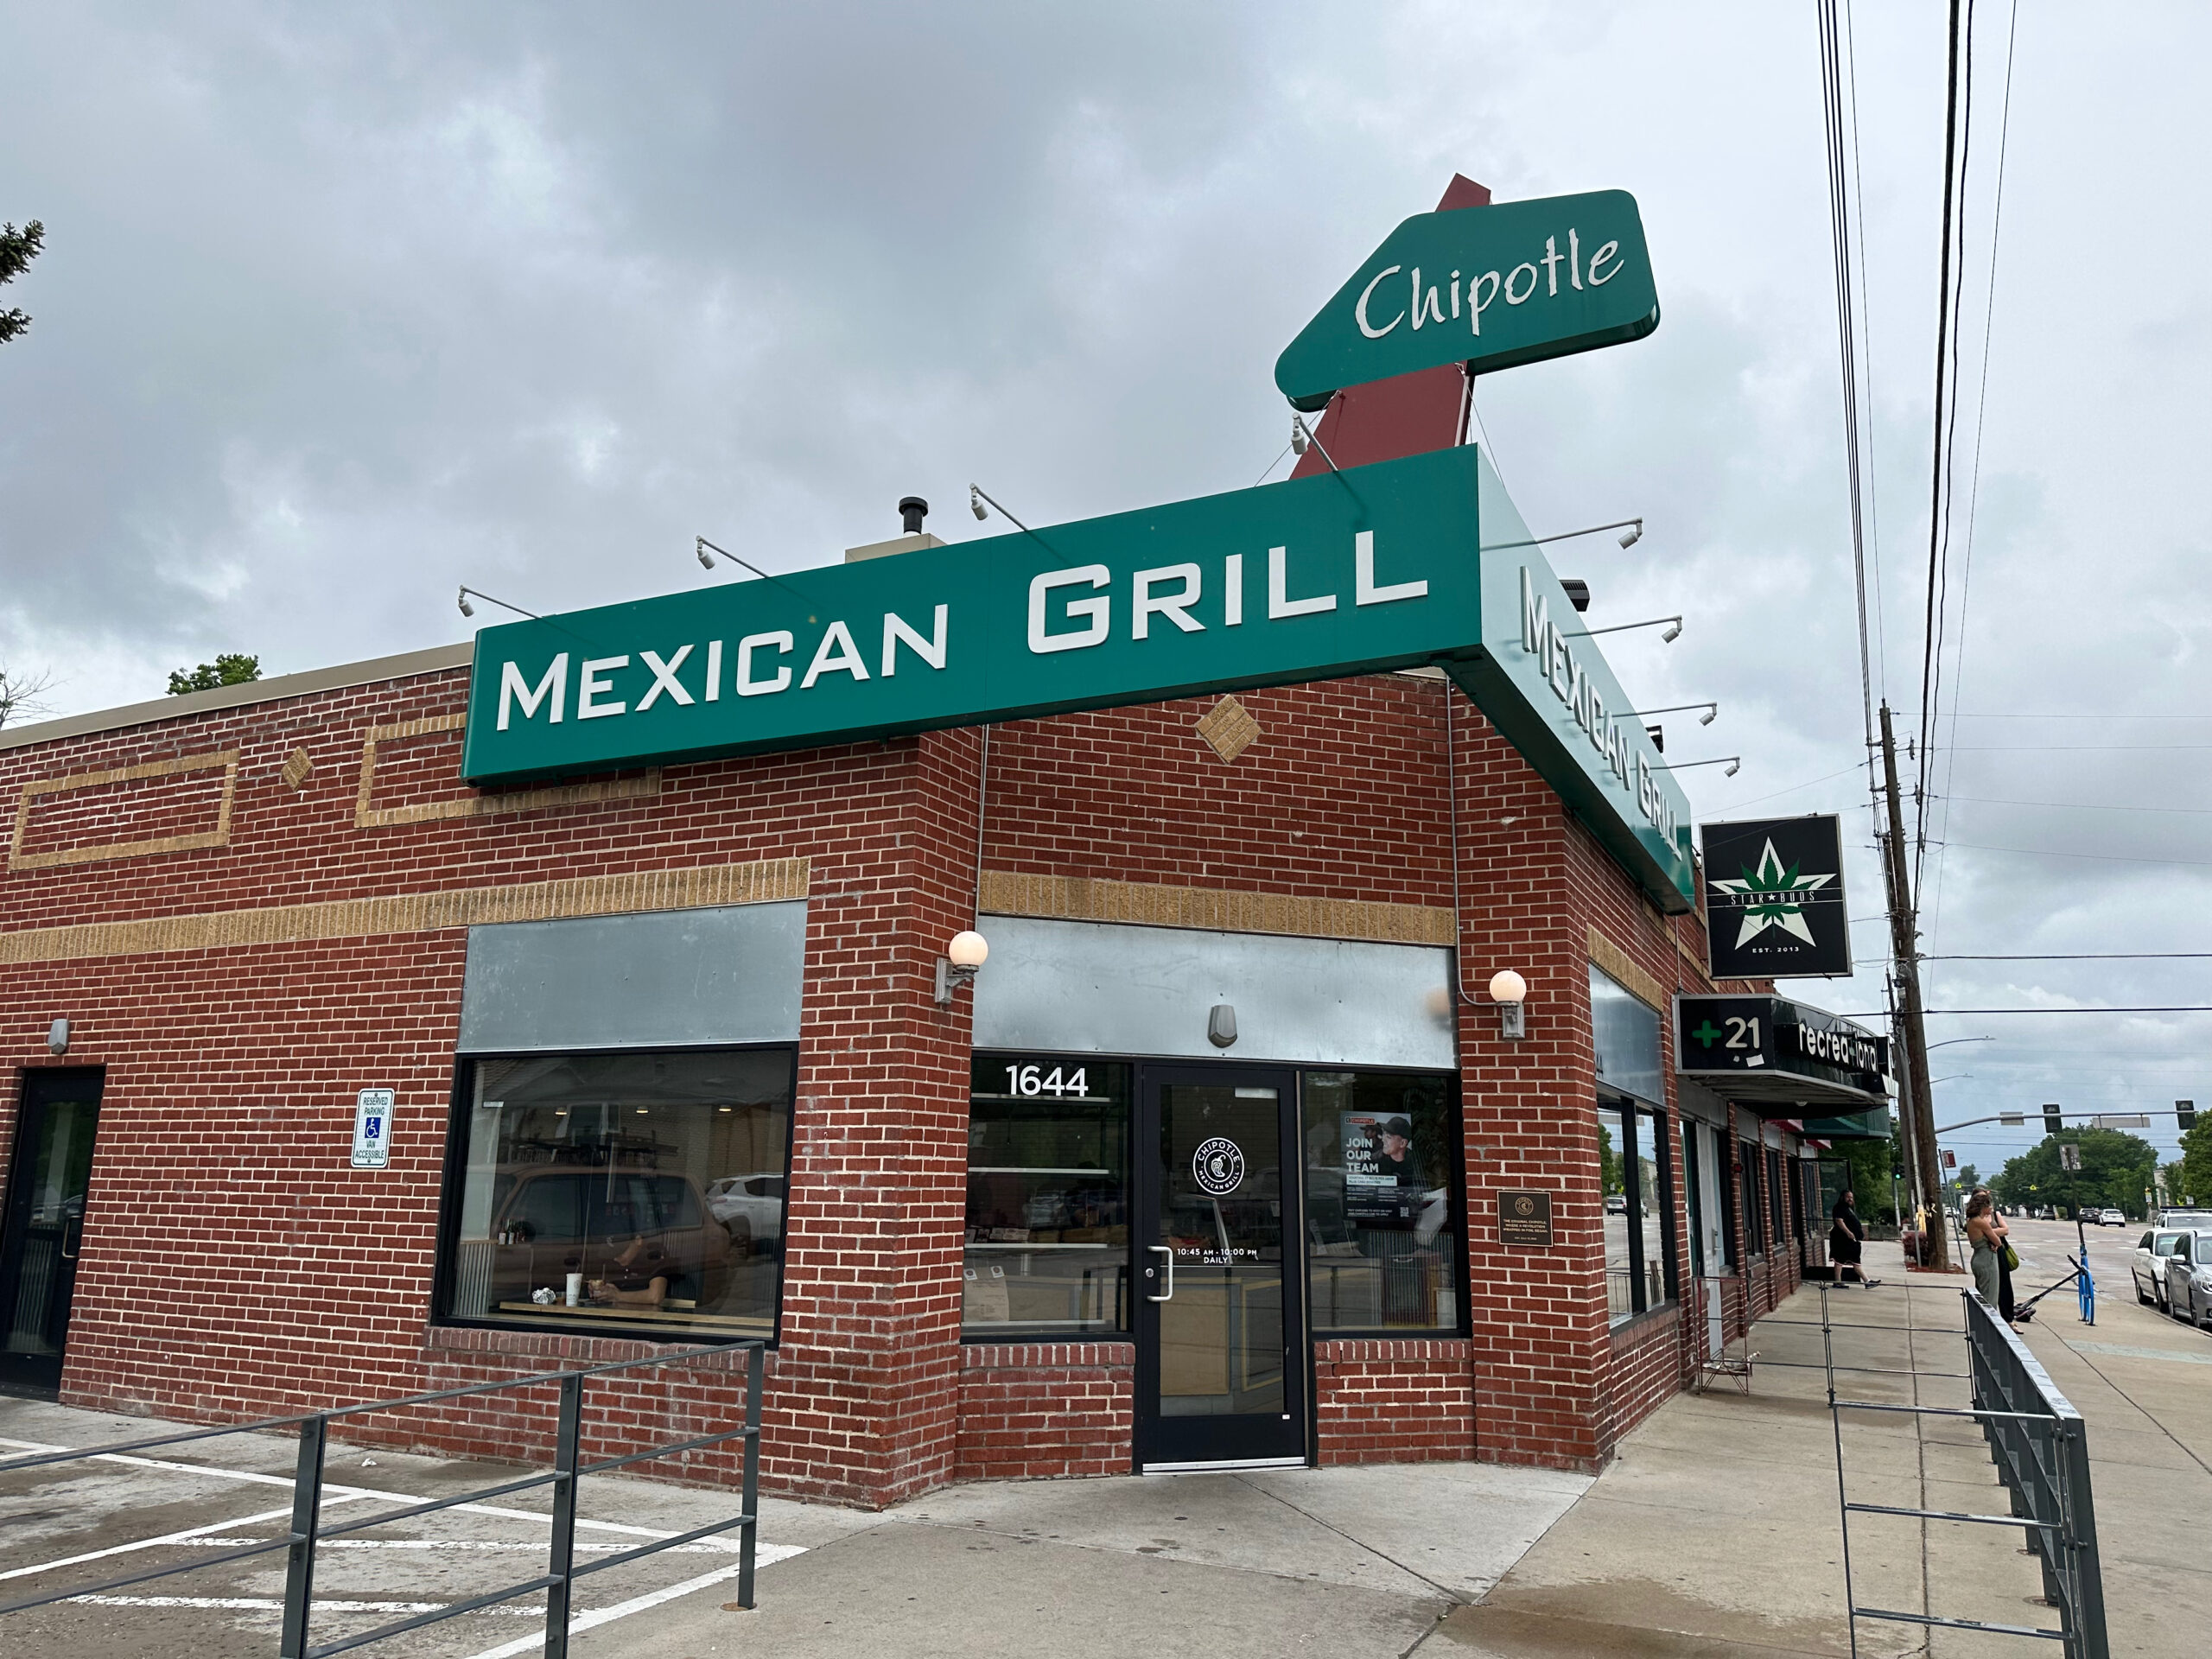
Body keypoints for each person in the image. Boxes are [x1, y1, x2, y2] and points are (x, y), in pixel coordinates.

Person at [1965, 1190, 2018, 1325]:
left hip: (1979, 1257)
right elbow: (1998, 1241)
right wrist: (1992, 1240)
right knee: (1989, 1297)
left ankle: (1980, 1325)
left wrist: (1989, 1238)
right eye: (1989, 1205)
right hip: (1987, 1260)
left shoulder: (1971, 1221)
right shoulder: (1981, 1222)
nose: (1991, 1208)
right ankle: (1987, 1326)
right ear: (1983, 1207)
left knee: (1983, 1293)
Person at [1828, 1187, 1879, 1287]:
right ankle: (1864, 1282)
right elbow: (1839, 1221)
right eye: (1848, 1197)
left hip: (1850, 1240)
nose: (1850, 1199)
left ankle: (1866, 1281)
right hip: (1843, 1240)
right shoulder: (1839, 1208)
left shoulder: (1848, 1209)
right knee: (1842, 1260)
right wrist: (1848, 1232)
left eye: (1851, 1197)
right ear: (1842, 1197)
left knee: (1851, 1261)